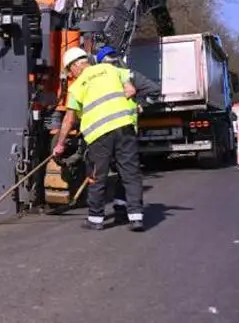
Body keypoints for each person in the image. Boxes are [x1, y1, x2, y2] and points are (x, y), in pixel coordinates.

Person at [53, 47, 145, 232]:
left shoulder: (77, 86)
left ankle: (95, 219)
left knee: (96, 176)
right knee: (130, 172)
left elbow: (69, 119)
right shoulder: (110, 69)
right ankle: (136, 218)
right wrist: (128, 84)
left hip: (99, 135)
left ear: (76, 66)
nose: (71, 75)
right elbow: (127, 76)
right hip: (124, 128)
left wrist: (60, 144)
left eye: (70, 71)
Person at [94, 45, 161, 224]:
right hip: (126, 131)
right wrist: (140, 104)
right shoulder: (128, 75)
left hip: (101, 134)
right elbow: (154, 91)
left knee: (103, 174)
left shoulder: (95, 80)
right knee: (128, 172)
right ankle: (127, 211)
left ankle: (102, 215)